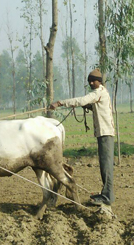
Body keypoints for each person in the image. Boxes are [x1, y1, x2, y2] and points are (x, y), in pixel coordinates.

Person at [49, 68, 115, 207]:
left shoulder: (98, 92)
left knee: (106, 166)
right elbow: (91, 104)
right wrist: (89, 107)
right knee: (104, 166)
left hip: (105, 133)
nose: (91, 83)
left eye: (93, 81)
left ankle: (107, 196)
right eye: (89, 81)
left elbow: (82, 100)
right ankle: (105, 194)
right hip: (103, 133)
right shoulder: (102, 92)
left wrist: (60, 103)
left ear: (99, 82)